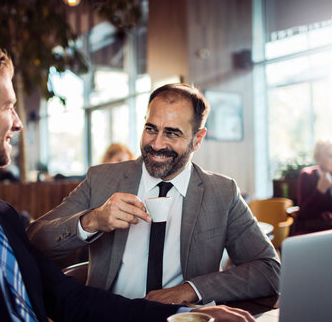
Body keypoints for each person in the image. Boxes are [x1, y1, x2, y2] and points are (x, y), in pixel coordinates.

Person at [0, 41, 266, 322]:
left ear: (197, 140)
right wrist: (92, 219)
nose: (18, 123)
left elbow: (68, 299)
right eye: (8, 106)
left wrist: (184, 316)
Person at [27, 83, 280, 305]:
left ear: (197, 139)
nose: (157, 144)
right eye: (151, 129)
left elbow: (269, 270)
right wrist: (92, 220)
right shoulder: (101, 179)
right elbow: (34, 241)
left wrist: (190, 290)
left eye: (172, 133)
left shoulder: (222, 192)